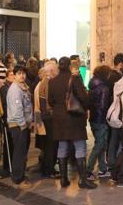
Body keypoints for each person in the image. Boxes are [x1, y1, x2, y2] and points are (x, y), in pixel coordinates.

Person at [48, 57, 95, 189]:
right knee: (80, 147)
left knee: (62, 146)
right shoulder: (74, 79)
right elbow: (83, 97)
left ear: (59, 66)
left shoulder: (52, 81)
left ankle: (63, 179)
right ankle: (82, 180)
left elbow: (50, 101)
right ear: (69, 65)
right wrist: (86, 107)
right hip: (74, 117)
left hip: (59, 118)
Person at [6, 64, 34, 188]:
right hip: (18, 125)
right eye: (19, 73)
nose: (22, 75)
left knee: (23, 151)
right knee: (19, 152)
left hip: (24, 125)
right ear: (14, 75)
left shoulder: (23, 87)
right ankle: (18, 178)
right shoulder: (15, 90)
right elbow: (17, 110)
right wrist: (23, 124)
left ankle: (21, 174)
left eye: (23, 73)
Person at [86, 65, 112, 180]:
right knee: (100, 145)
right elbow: (103, 106)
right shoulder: (104, 88)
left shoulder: (92, 85)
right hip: (101, 119)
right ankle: (88, 170)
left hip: (93, 118)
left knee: (101, 144)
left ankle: (103, 169)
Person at [35, 61, 60, 179]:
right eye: (56, 70)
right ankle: (49, 169)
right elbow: (49, 102)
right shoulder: (49, 82)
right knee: (51, 144)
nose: (57, 72)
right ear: (51, 71)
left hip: (45, 117)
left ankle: (47, 168)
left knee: (49, 144)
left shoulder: (43, 82)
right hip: (49, 117)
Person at [107, 53, 123, 171]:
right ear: (120, 64)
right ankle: (113, 163)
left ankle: (114, 161)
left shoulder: (113, 75)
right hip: (116, 111)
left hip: (115, 110)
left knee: (115, 138)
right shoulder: (115, 77)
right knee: (115, 138)